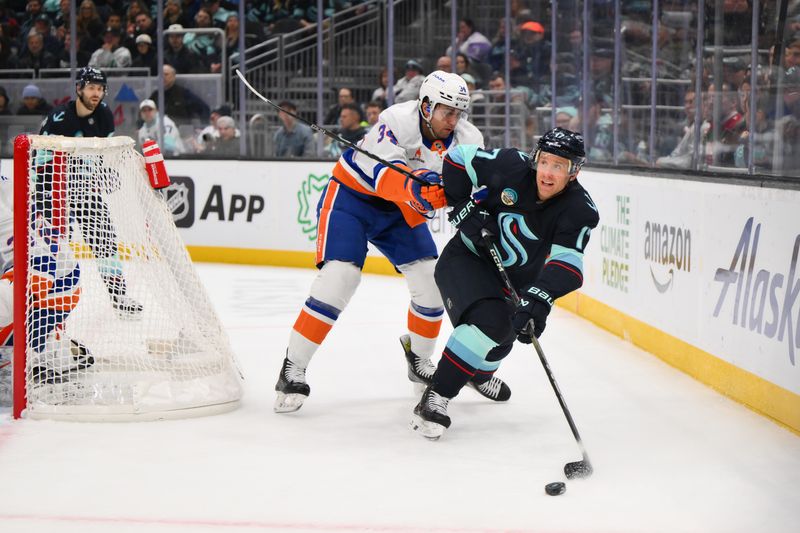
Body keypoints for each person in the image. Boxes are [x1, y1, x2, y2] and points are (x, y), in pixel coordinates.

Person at [274, 70, 511, 414]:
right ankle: (292, 368)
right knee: (341, 276)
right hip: (353, 199)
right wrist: (419, 185)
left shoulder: (467, 137)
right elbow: (383, 175)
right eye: (447, 111)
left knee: (431, 280)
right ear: (426, 105)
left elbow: (471, 187)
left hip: (401, 213)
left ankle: (419, 359)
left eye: (459, 112)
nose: (453, 119)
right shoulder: (396, 119)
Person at [410, 128, 599, 439]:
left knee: (511, 330)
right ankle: (436, 396)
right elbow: (458, 158)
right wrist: (461, 208)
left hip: (513, 279)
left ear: (574, 172)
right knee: (490, 323)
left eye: (559, 166)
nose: (548, 174)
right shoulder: (510, 165)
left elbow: (569, 264)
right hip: (466, 261)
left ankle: (478, 374)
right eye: (545, 162)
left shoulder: (579, 209)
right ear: (536, 158)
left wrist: (540, 297)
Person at [39, 66, 144, 318]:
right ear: (79, 89)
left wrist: (103, 171)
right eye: (90, 87)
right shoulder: (60, 119)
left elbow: (103, 152)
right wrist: (43, 193)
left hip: (85, 189)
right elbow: (39, 157)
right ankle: (42, 298)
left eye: (99, 88)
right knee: (49, 246)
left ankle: (119, 296)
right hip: (53, 189)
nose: (96, 93)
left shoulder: (105, 114)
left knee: (105, 239)